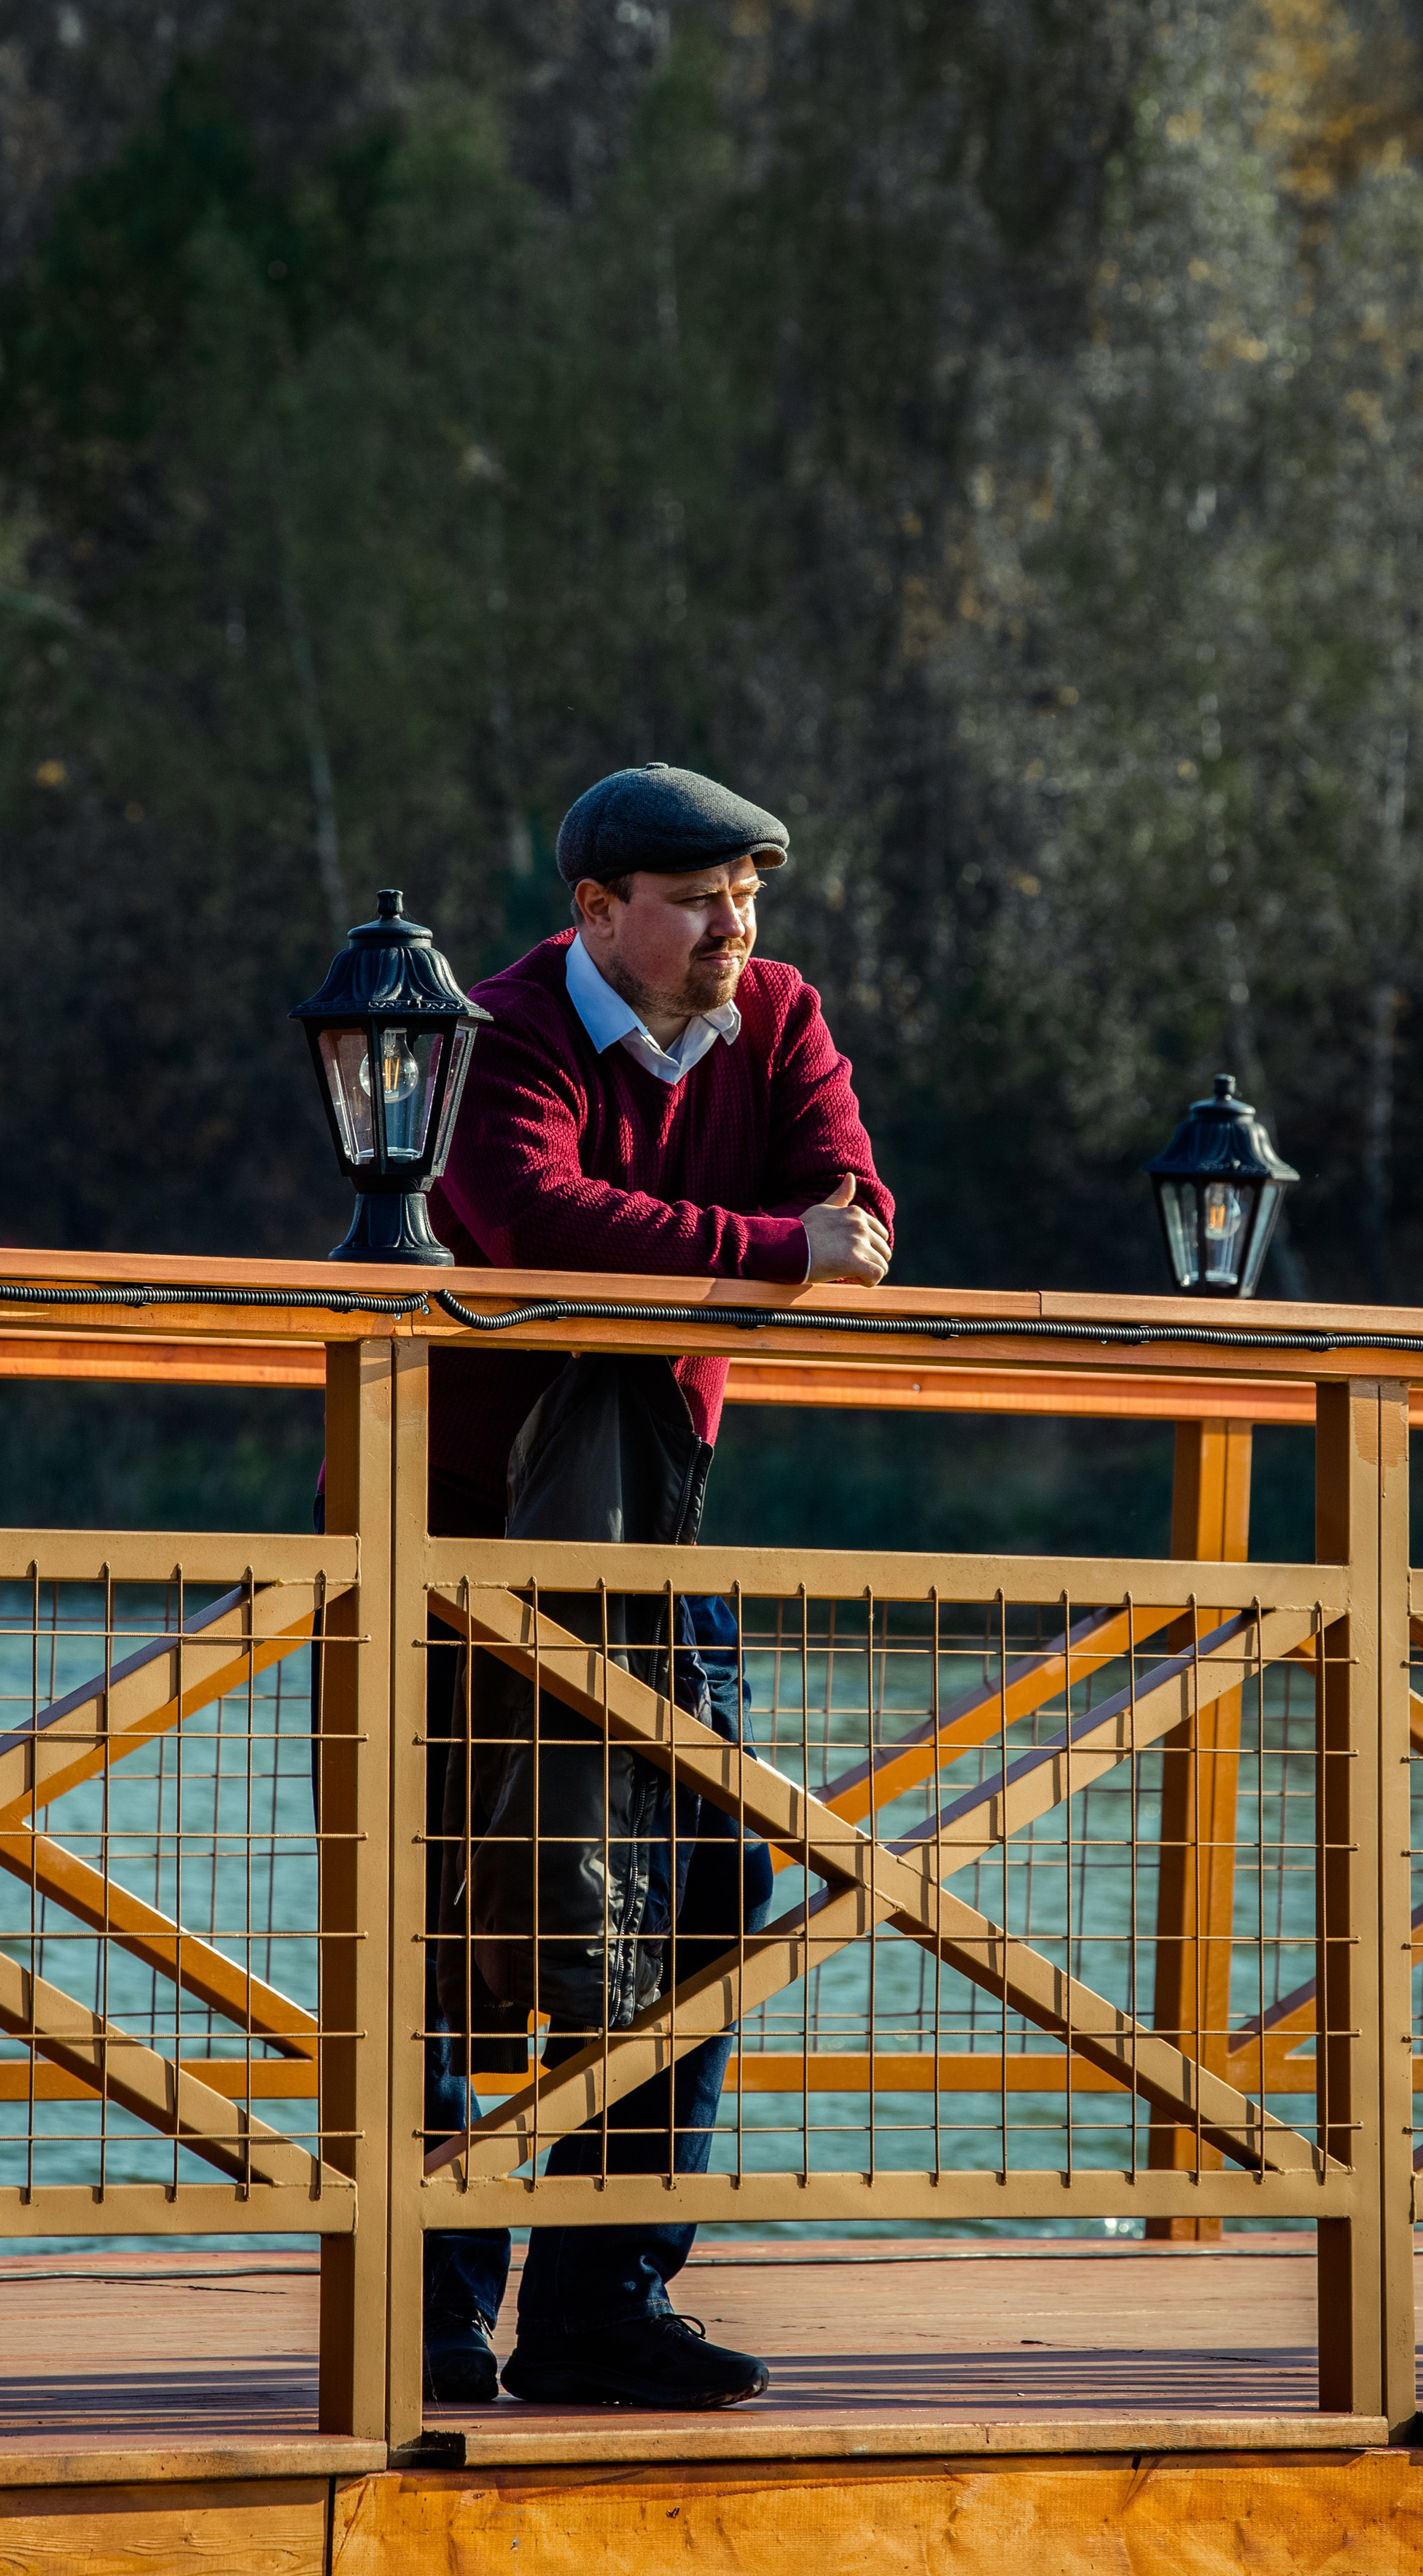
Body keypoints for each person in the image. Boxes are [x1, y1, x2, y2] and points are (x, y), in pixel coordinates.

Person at [418, 760, 893, 2413]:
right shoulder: (498, 1030)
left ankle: (601, 2302)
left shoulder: (777, 1015)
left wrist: (754, 1237)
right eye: (696, 902)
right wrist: (762, 1247)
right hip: (446, 1534)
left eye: (747, 898)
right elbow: (525, 1213)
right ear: (593, 913)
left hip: (650, 1542)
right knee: (447, 1907)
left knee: (705, 1889)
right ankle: (428, 2310)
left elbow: (862, 1209)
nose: (731, 930)